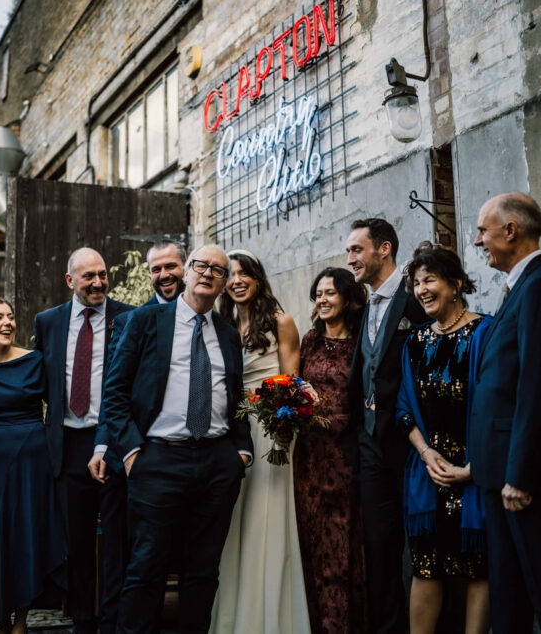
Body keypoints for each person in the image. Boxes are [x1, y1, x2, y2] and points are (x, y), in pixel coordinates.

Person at [102, 244, 253, 634]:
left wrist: (242, 451)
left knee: (203, 572)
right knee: (145, 569)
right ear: (186, 272)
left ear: (223, 284)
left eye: (217, 270)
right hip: (158, 461)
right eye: (200, 265)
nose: (207, 273)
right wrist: (134, 451)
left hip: (218, 462)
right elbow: (115, 391)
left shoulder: (227, 334)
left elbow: (235, 396)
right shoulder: (145, 321)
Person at [469, 193, 541, 633]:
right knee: (509, 593)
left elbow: (539, 388)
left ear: (511, 230)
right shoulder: (520, 288)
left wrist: (520, 474)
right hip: (498, 475)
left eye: (484, 230)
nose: (479, 240)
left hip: (526, 479)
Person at [34, 248, 135, 634]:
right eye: (88, 276)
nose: (97, 282)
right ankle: (83, 619)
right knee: (75, 540)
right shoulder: (48, 322)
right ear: (69, 280)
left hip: (112, 440)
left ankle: (112, 619)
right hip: (67, 442)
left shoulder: (128, 317)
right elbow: (40, 381)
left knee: (115, 538)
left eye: (102, 274)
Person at [210, 249, 307, 634]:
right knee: (235, 520)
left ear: (257, 278)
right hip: (232, 430)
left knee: (268, 517)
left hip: (271, 428)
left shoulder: (281, 322)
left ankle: (272, 618)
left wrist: (283, 427)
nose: (236, 280)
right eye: (230, 274)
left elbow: (293, 382)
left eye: (243, 273)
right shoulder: (221, 324)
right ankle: (239, 616)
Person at [395, 243, 490, 634]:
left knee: (477, 567)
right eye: (416, 283)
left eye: (429, 279)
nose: (421, 289)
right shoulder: (415, 342)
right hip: (429, 474)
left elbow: (497, 407)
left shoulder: (485, 331)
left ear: (454, 284)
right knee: (426, 566)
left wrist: (474, 468)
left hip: (474, 474)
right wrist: (426, 451)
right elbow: (403, 408)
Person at [344, 217, 428, 634]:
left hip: (415, 450)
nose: (350, 259)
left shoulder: (417, 302)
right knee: (379, 551)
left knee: (425, 551)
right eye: (348, 252)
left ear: (384, 249)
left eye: (357, 250)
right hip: (372, 448)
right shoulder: (363, 309)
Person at [0, 296, 67, 634]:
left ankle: (21, 621)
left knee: (27, 535)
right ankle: (0, 620)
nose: (8, 322)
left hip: (33, 462)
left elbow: (57, 409)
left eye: (11, 316)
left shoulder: (35, 360)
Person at [294, 267, 368, 634]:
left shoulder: (361, 341)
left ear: (348, 298)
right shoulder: (309, 340)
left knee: (342, 539)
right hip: (309, 455)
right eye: (318, 293)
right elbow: (295, 390)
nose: (322, 299)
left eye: (330, 293)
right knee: (312, 538)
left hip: (344, 454)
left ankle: (344, 625)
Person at [144, 239, 186, 305]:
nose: (163, 276)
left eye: (170, 267)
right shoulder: (142, 315)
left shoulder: (204, 308)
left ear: (186, 267)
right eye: (156, 270)